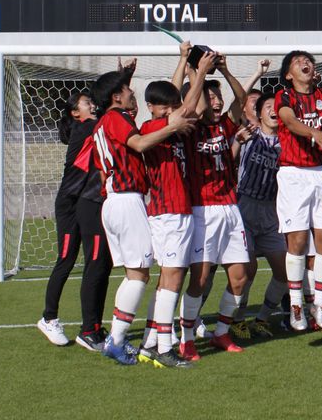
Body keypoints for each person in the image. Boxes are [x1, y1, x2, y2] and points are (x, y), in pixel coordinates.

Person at [90, 64, 194, 365]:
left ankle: (127, 339)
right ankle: (118, 340)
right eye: (126, 90)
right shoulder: (115, 118)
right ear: (115, 98)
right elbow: (139, 142)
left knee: (137, 274)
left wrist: (127, 76)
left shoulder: (105, 121)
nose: (132, 93)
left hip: (114, 200)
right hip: (126, 199)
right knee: (138, 276)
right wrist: (173, 127)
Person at [136, 53, 212, 368]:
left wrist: (185, 62)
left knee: (169, 277)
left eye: (172, 105)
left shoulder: (170, 126)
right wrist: (202, 72)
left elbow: (194, 108)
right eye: (165, 106)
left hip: (174, 210)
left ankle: (150, 341)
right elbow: (188, 108)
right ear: (152, 107)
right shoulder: (152, 124)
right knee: (173, 276)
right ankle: (164, 348)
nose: (172, 110)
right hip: (169, 212)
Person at [178, 56, 251, 359]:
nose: (216, 102)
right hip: (203, 210)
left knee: (240, 276)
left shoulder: (227, 125)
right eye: (209, 97)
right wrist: (197, 73)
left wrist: (222, 70)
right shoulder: (190, 128)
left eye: (217, 96)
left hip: (230, 208)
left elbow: (243, 100)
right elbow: (190, 106)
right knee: (201, 278)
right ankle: (186, 338)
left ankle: (221, 333)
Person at [275, 50, 322, 331]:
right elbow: (290, 121)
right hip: (293, 175)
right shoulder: (285, 96)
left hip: (321, 174)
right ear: (288, 74)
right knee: (296, 243)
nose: (305, 64)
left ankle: (318, 305)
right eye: (297, 62)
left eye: (308, 60)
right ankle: (296, 305)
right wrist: (315, 133)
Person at [38, 89, 112, 350]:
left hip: (85, 203)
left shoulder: (92, 127)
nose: (92, 105)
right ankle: (48, 317)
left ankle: (90, 326)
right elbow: (106, 116)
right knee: (67, 259)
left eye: (92, 101)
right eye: (86, 103)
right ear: (75, 112)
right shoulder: (83, 129)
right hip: (69, 204)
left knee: (93, 259)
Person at [232, 92, 290, 340]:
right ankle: (237, 320)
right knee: (248, 269)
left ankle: (262, 318)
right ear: (259, 112)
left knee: (285, 271)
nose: (274, 110)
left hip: (271, 211)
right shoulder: (249, 134)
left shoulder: (288, 141)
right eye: (268, 106)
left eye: (277, 106)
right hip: (245, 207)